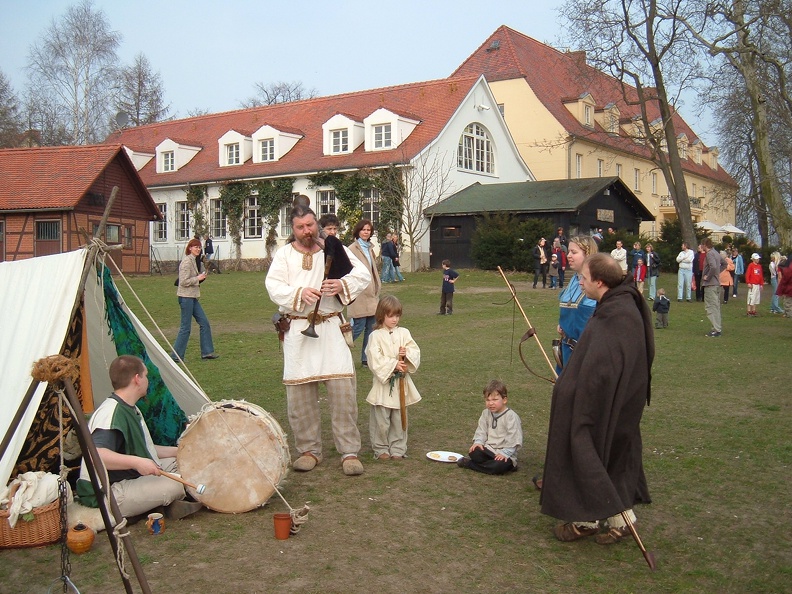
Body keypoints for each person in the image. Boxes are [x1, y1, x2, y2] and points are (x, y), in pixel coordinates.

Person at [540, 253, 653, 545]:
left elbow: (601, 367)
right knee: (613, 454)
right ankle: (622, 518)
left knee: (586, 447)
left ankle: (585, 520)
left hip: (607, 401)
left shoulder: (616, 314)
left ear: (600, 282)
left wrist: (572, 392)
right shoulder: (620, 303)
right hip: (619, 398)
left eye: (584, 278)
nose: (580, 281)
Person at [265, 198, 372, 476]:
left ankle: (349, 451)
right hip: (299, 331)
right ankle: (309, 450)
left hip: (331, 329)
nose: (306, 230)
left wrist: (341, 283)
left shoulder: (333, 249)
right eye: (300, 227)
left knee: (343, 395)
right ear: (293, 228)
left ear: (317, 224)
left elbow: (362, 275)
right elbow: (273, 286)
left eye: (310, 224)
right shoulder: (284, 255)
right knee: (300, 399)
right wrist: (299, 294)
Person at [75, 356, 201, 520]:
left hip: (129, 478)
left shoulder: (128, 407)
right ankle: (159, 504)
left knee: (185, 464)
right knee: (176, 484)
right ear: (137, 379)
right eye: (146, 375)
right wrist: (137, 462)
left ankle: (159, 504)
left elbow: (147, 448)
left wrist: (181, 451)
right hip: (107, 493)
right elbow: (96, 456)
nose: (147, 380)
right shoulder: (111, 413)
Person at [364, 295, 421, 461]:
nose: (394, 319)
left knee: (399, 417)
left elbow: (414, 350)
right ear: (382, 315)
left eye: (397, 316)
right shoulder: (375, 336)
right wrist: (393, 365)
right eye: (390, 316)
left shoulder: (404, 333)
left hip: (401, 384)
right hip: (383, 385)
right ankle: (381, 448)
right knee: (381, 419)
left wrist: (407, 354)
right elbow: (374, 358)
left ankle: (398, 448)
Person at [457, 380, 523, 475]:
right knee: (474, 452)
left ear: (504, 400)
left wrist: (505, 453)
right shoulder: (485, 413)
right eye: (488, 400)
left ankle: (470, 464)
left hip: (505, 454)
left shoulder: (511, 417)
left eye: (495, 400)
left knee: (498, 466)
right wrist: (478, 442)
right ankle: (488, 465)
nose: (491, 403)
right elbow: (481, 430)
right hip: (489, 450)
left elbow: (514, 437)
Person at [556, 236, 599, 372]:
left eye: (574, 252)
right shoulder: (574, 279)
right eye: (568, 252)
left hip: (586, 353)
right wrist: (563, 324)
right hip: (566, 349)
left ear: (588, 254)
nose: (568, 256)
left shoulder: (597, 282)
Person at [172, 238, 218, 361]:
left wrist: (201, 278)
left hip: (192, 297)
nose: (198, 249)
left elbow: (192, 279)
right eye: (195, 247)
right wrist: (197, 278)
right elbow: (183, 282)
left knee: (204, 323)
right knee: (185, 328)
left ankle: (207, 352)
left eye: (199, 247)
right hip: (185, 298)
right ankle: (176, 356)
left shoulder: (194, 261)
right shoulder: (186, 262)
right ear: (190, 248)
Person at [347, 219, 381, 367]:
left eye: (368, 230)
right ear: (358, 231)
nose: (366, 232)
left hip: (372, 294)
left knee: (371, 328)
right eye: (363, 230)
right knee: (358, 326)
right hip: (359, 293)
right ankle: (340, 350)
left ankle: (366, 359)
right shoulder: (352, 249)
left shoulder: (370, 248)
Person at [702, 238, 727, 337]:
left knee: (711, 307)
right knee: (716, 307)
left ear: (705, 244)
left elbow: (712, 266)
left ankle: (716, 329)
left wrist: (708, 276)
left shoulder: (709, 254)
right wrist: (717, 273)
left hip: (711, 285)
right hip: (717, 284)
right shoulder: (716, 253)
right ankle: (716, 327)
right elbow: (724, 264)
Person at [745, 253, 763, 317]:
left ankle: (754, 310)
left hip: (757, 284)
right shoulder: (751, 265)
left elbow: (760, 276)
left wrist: (761, 284)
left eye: (758, 259)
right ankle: (749, 310)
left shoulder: (759, 266)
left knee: (756, 298)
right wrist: (748, 282)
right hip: (752, 284)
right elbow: (747, 274)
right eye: (756, 259)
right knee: (751, 297)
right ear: (753, 259)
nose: (757, 260)